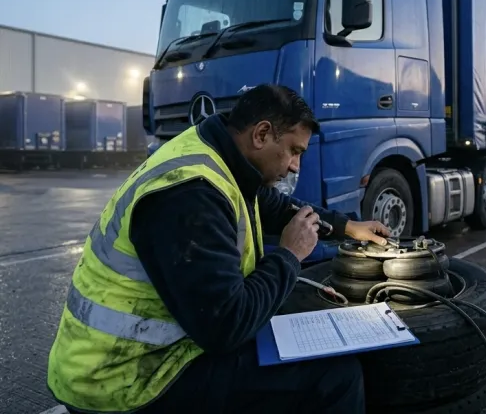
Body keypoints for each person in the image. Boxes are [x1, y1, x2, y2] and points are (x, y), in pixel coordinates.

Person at [47, 84, 391, 414]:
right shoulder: (190, 195)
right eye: (294, 150)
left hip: (158, 351)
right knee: (336, 377)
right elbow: (227, 328)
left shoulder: (218, 155)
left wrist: (347, 226)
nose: (295, 165)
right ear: (261, 134)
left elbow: (273, 206)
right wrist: (289, 256)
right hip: (127, 378)